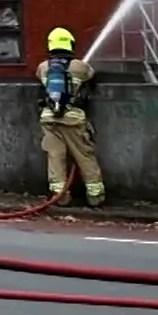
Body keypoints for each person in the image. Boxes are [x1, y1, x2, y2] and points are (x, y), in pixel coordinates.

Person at [36, 26, 105, 207]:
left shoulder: (43, 67)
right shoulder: (80, 67)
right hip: (73, 119)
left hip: (49, 118)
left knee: (55, 157)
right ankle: (95, 196)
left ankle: (60, 197)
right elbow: (91, 75)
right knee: (84, 156)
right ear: (69, 44)